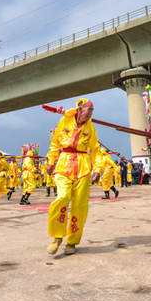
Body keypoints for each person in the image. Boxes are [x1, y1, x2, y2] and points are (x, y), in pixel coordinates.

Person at [45, 98, 101, 256]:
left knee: (80, 205)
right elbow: (55, 143)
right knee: (62, 198)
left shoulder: (91, 128)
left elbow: (95, 150)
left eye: (92, 111)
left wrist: (97, 169)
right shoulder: (64, 121)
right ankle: (57, 237)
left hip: (83, 167)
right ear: (80, 109)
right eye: (89, 110)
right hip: (64, 164)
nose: (91, 113)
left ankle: (72, 241)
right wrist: (51, 161)